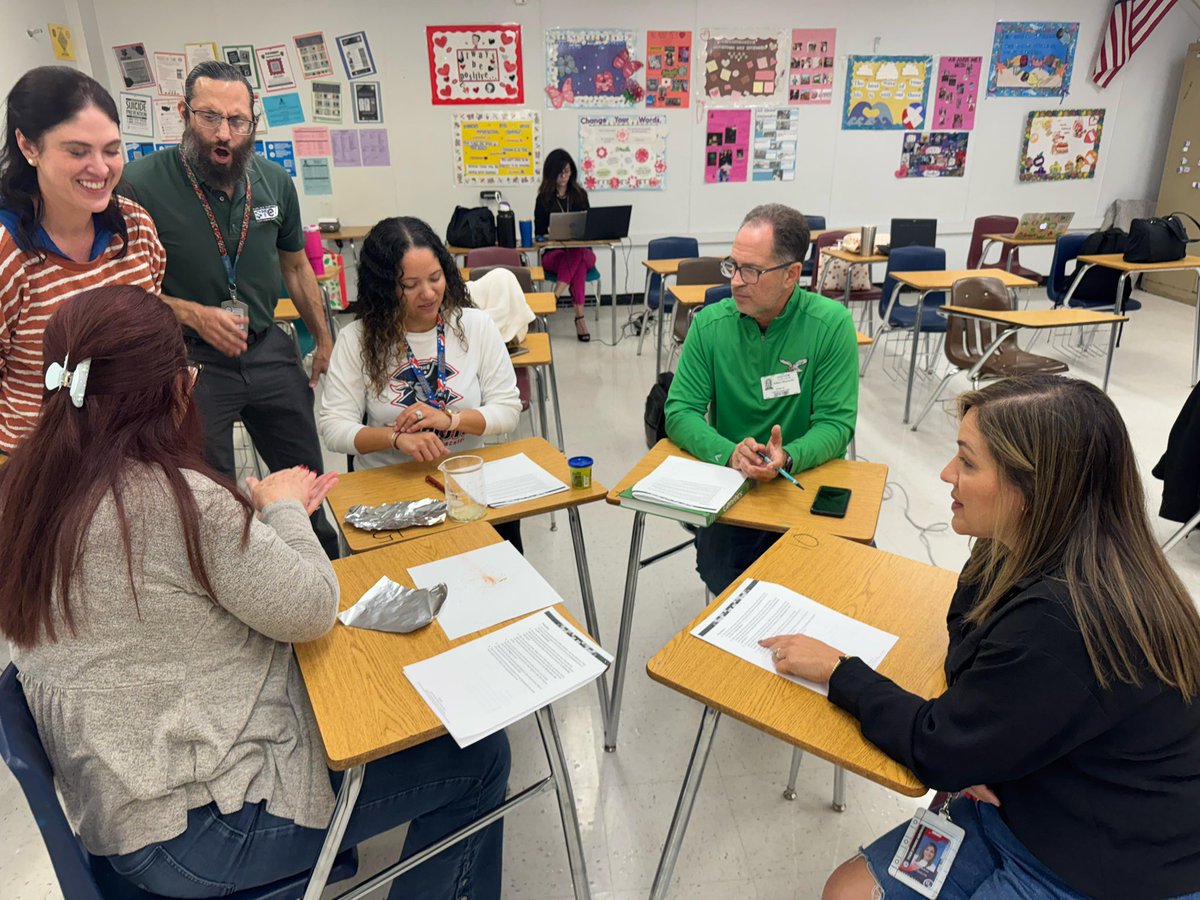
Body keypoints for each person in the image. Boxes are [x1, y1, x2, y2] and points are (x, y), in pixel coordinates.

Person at [0, 285, 510, 899]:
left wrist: (249, 511)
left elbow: (164, 573)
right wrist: (286, 508)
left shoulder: (26, 489)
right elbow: (312, 608)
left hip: (119, 807)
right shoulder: (179, 503)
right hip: (200, 829)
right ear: (173, 390)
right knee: (480, 756)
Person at [759, 376, 1200, 900]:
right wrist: (979, 751)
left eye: (967, 463)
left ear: (1032, 489)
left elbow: (939, 749)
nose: (946, 474)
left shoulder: (1064, 617)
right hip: (1027, 794)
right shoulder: (1020, 547)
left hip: (1100, 864)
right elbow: (966, 652)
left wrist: (840, 672)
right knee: (846, 892)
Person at [119, 60, 339, 557]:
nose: (224, 134)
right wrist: (195, 315)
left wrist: (324, 339)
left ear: (253, 122)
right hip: (189, 360)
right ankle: (232, 580)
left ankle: (322, 570)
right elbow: (126, 290)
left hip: (267, 349)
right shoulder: (139, 185)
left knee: (305, 481)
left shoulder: (274, 183)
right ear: (183, 113)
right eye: (210, 117)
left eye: (237, 121)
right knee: (209, 497)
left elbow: (296, 268)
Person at [665, 203, 858, 594]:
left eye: (751, 271)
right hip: (732, 486)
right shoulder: (709, 325)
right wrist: (730, 454)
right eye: (732, 266)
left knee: (836, 581)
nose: (736, 281)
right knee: (726, 576)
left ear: (791, 275)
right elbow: (680, 411)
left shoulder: (830, 325)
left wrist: (790, 456)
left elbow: (836, 423)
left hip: (804, 481)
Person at [318, 216, 524, 550]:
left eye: (435, 278)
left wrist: (451, 420)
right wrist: (395, 438)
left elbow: (508, 410)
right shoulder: (356, 340)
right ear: (384, 287)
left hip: (465, 485)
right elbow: (333, 428)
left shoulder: (475, 326)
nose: (428, 293)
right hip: (389, 491)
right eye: (410, 285)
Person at [0, 66, 164, 454]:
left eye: (111, 150)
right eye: (77, 151)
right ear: (28, 146)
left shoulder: (135, 225)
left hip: (133, 448)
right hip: (39, 460)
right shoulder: (9, 253)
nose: (101, 169)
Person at [534, 148, 594, 342]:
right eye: (559, 173)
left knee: (578, 252)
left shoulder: (580, 195)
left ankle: (554, 297)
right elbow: (539, 232)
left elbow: (589, 225)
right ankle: (580, 319)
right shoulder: (543, 199)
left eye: (567, 172)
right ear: (551, 174)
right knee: (578, 263)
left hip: (583, 251)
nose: (564, 177)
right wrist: (551, 236)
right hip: (554, 255)